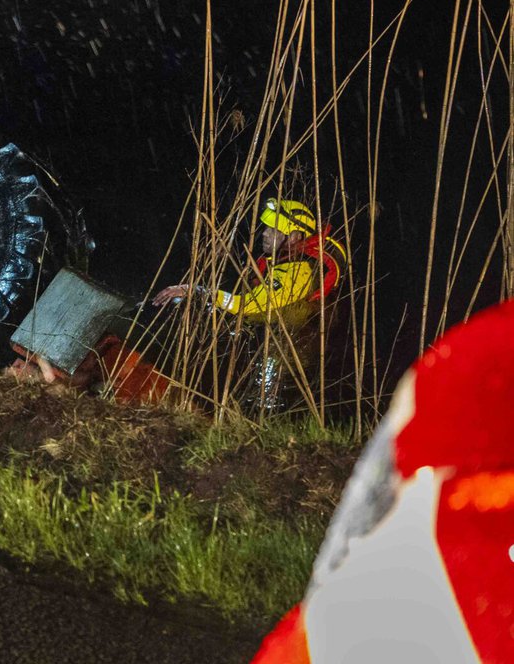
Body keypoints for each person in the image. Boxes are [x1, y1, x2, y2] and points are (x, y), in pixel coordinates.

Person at [250, 297, 514, 663]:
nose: (267, 237)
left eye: (274, 233)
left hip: (292, 344)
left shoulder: (479, 354)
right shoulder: (479, 353)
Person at [152, 197, 347, 328]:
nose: (264, 233)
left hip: (285, 342)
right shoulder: (283, 258)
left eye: (273, 230)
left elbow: (246, 305)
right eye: (267, 228)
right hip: (268, 324)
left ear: (295, 237)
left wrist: (194, 290)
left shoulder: (297, 274)